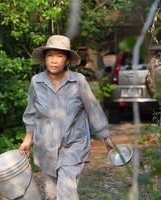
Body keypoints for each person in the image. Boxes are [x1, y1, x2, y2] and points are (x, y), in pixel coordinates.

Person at [19, 35, 114, 200]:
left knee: (66, 192)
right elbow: (31, 112)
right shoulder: (36, 82)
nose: (54, 60)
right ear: (44, 58)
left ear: (67, 60)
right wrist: (27, 140)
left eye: (59, 56)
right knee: (51, 194)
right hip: (45, 147)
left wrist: (106, 138)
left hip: (73, 146)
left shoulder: (78, 82)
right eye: (50, 55)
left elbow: (93, 109)